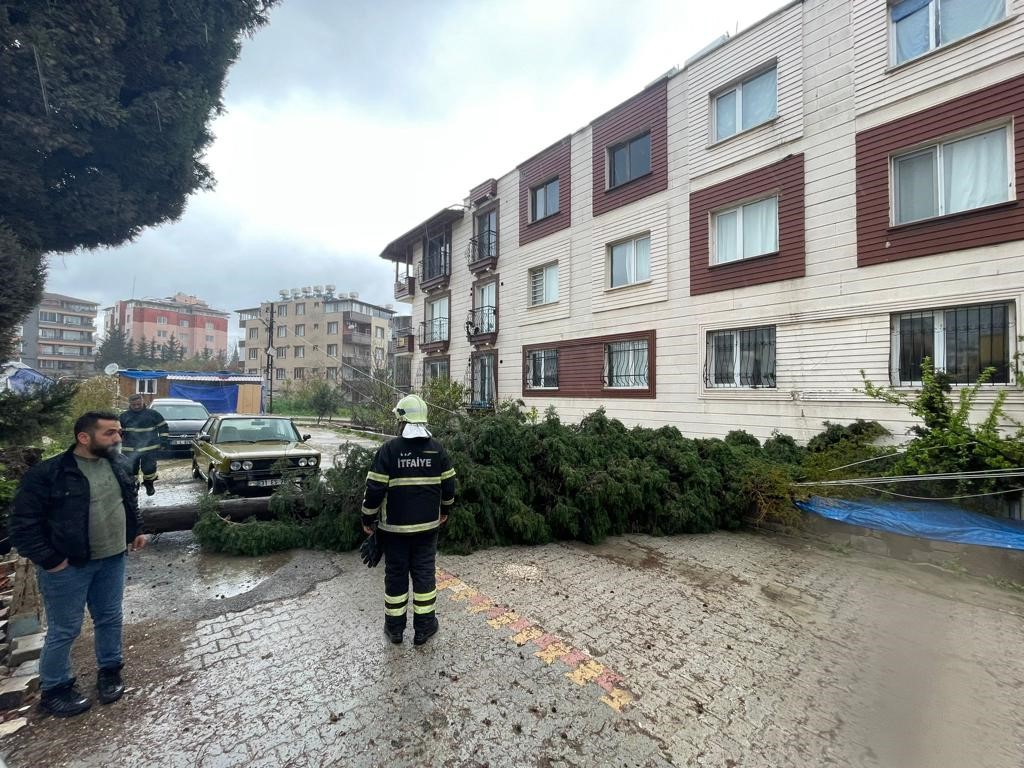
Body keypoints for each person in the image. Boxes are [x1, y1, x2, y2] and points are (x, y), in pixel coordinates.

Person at [10, 411, 147, 717]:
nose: (118, 438)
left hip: (112, 559)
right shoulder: (49, 473)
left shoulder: (118, 464)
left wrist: (136, 530)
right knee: (65, 629)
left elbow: (128, 499)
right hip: (68, 566)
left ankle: (110, 671)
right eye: (109, 433)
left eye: (119, 432)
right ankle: (55, 689)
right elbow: (22, 525)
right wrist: (51, 560)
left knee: (110, 617)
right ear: (84, 437)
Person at [361, 394, 456, 646]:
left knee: (396, 576)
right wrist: (445, 510)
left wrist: (367, 518)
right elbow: (449, 487)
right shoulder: (437, 450)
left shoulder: (389, 451)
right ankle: (424, 629)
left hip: (394, 531)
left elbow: (374, 490)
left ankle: (394, 629)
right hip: (427, 529)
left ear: (401, 419)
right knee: (424, 575)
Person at [119, 393, 168, 496]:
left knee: (149, 469)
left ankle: (149, 484)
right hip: (130, 450)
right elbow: (117, 432)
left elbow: (163, 427)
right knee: (131, 470)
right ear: (130, 404)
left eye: (138, 404)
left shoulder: (153, 414)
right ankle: (133, 486)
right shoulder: (123, 416)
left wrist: (163, 441)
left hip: (150, 449)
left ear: (143, 402)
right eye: (134, 405)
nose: (136, 407)